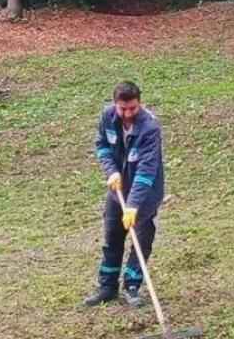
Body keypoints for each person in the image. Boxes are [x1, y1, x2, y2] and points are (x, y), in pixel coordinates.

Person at [83, 81, 165, 309]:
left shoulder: (150, 128)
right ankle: (107, 287)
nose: (127, 114)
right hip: (117, 190)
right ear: (115, 104)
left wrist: (133, 205)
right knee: (112, 238)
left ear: (140, 103)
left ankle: (132, 287)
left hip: (144, 194)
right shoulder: (107, 117)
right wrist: (112, 172)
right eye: (123, 109)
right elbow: (102, 146)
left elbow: (147, 171)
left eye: (133, 108)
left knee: (140, 240)